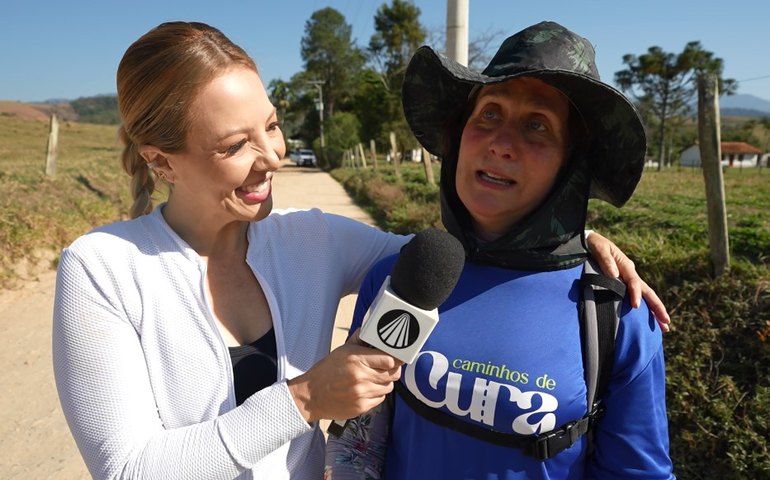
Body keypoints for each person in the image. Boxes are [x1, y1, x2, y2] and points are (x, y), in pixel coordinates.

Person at [52, 21, 667, 480]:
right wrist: (304, 400)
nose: (273, 156)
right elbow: (126, 468)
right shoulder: (104, 268)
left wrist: (573, 235)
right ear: (161, 159)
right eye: (235, 144)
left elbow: (463, 256)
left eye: (271, 125)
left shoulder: (312, 240)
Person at [325, 21, 675, 479]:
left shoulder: (617, 314)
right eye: (489, 114)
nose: (501, 144)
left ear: (571, 164)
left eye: (537, 125)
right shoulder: (403, 277)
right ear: (459, 134)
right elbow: (360, 440)